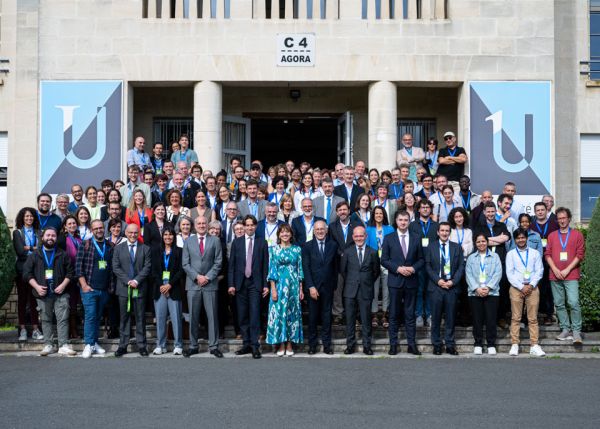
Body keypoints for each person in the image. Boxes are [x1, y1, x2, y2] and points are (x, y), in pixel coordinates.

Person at [23, 227, 76, 356]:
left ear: (56, 238)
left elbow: (70, 272)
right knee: (46, 320)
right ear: (43, 237)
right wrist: (36, 287)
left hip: (61, 293)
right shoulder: (35, 255)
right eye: (48, 235)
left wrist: (63, 285)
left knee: (63, 319)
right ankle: (48, 345)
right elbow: (26, 274)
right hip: (42, 294)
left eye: (53, 235)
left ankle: (63, 345)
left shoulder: (63, 254)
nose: (50, 238)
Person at [381, 210, 424, 355]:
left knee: (410, 314)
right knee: (393, 314)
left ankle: (411, 344)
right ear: (396, 221)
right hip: (395, 281)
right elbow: (384, 260)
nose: (403, 222)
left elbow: (422, 260)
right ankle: (393, 345)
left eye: (406, 220)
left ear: (409, 221)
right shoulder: (388, 238)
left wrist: (412, 268)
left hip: (411, 280)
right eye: (401, 220)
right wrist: (398, 268)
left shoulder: (417, 238)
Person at [228, 215, 270, 359]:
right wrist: (231, 284)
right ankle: (246, 344)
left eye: (252, 225)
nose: (250, 227)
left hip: (255, 283)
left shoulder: (262, 242)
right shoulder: (236, 243)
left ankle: (255, 346)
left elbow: (265, 265)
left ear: (256, 226)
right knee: (242, 315)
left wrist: (265, 284)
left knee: (254, 314)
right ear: (244, 226)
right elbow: (231, 266)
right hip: (240, 284)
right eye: (247, 225)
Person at [182, 216, 223, 358]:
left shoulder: (215, 240)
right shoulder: (188, 241)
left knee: (212, 316)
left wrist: (207, 277)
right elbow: (185, 264)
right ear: (194, 225)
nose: (201, 225)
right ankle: (193, 346)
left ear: (207, 225)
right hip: (193, 284)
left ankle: (214, 346)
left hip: (210, 284)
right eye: (198, 223)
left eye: (203, 223)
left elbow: (218, 262)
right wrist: (197, 277)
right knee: (193, 316)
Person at [545, 207, 586, 344]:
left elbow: (579, 255)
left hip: (571, 274)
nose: (562, 220)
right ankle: (565, 329)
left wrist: (567, 269)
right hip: (555, 275)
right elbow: (548, 254)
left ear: (569, 219)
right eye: (559, 218)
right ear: (557, 220)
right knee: (559, 304)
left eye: (564, 218)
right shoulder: (552, 236)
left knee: (573, 302)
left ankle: (576, 331)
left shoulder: (577, 235)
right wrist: (555, 269)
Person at [111, 224, 152, 357]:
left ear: (139, 233)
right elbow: (116, 267)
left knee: (140, 318)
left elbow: (147, 267)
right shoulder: (118, 248)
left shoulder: (145, 248)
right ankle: (123, 345)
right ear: (126, 233)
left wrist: (136, 280)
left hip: (139, 288)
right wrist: (128, 280)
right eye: (130, 232)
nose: (133, 235)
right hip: (124, 288)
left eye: (135, 232)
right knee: (124, 318)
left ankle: (142, 345)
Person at [425, 222, 465, 355]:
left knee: (451, 318)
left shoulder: (457, 247)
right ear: (438, 232)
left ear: (450, 232)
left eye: (447, 231)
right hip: (436, 287)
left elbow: (460, 267)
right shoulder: (430, 247)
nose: (444, 233)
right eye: (442, 230)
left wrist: (453, 282)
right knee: (435, 318)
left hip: (451, 287)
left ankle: (449, 344)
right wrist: (438, 280)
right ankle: (436, 344)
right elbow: (428, 266)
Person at [75, 219, 113, 358]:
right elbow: (78, 268)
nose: (99, 230)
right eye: (96, 228)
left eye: (101, 228)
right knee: (90, 316)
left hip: (104, 289)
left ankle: (95, 343)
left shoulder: (109, 245)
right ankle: (88, 344)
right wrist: (84, 285)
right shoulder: (85, 245)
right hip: (89, 289)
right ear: (91, 230)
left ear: (104, 229)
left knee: (97, 317)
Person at [340, 225, 380, 355]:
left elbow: (376, 272)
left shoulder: (373, 252)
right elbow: (343, 271)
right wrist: (353, 281)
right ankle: (350, 345)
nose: (359, 238)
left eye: (361, 235)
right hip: (350, 290)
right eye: (356, 236)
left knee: (366, 320)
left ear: (366, 236)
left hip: (366, 290)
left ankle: (367, 346)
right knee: (350, 320)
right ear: (352, 237)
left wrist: (366, 282)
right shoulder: (347, 252)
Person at [266, 224, 304, 356]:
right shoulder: (273, 250)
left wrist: (301, 289)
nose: (285, 234)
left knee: (291, 315)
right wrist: (273, 289)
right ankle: (281, 343)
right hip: (279, 286)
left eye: (287, 232)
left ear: (291, 234)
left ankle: (289, 343)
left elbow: (300, 271)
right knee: (279, 315)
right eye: (282, 232)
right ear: (278, 235)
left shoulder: (297, 250)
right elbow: (272, 271)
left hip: (293, 287)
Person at [506, 228, 545, 357]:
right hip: (516, 288)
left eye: (523, 237)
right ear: (515, 239)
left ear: (527, 238)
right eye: (518, 238)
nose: (521, 240)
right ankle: (514, 344)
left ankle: (534, 345)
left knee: (533, 318)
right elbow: (510, 273)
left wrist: (531, 285)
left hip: (532, 288)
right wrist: (521, 287)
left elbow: (539, 270)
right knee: (516, 317)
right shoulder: (511, 254)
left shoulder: (534, 253)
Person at [302, 220, 339, 355]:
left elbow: (335, 267)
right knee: (312, 318)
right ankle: (312, 345)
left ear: (326, 230)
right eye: (317, 229)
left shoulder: (333, 245)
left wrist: (334, 285)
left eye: (322, 229)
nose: (320, 231)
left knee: (326, 317)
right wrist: (311, 286)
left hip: (328, 288)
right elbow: (306, 268)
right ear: (313, 231)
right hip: (313, 288)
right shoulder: (306, 246)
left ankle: (327, 345)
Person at [474, 201, 511, 328]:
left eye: (492, 211)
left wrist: (489, 240)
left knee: (501, 289)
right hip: (484, 263)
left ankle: (500, 317)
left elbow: (506, 237)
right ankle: (486, 319)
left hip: (500, 261)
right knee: (486, 289)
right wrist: (497, 239)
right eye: (488, 211)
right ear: (484, 212)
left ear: (496, 212)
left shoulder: (501, 225)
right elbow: (479, 241)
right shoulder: (479, 227)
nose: (490, 214)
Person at [465, 233, 502, 355]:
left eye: (483, 241)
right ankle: (478, 343)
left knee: (491, 319)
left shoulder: (495, 256)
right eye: (478, 242)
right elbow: (468, 274)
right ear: (475, 243)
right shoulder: (471, 258)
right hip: (475, 293)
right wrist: (477, 288)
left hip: (492, 293)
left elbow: (498, 273)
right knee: (477, 320)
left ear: (487, 242)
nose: (481, 244)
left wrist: (488, 287)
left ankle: (491, 343)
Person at [151, 227, 184, 355]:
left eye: (170, 235)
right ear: (162, 236)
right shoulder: (155, 251)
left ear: (174, 237)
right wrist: (162, 285)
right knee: (160, 318)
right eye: (165, 235)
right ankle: (160, 345)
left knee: (176, 318)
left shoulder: (180, 251)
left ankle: (178, 345)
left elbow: (181, 271)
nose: (168, 237)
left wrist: (169, 284)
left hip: (173, 288)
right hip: (159, 288)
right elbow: (153, 271)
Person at [328, 201, 361, 325]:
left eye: (344, 209)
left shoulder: (356, 225)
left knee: (354, 289)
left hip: (353, 262)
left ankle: (354, 314)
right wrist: (341, 253)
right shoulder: (332, 226)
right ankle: (337, 313)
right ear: (337, 212)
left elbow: (360, 241)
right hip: (337, 262)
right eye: (340, 210)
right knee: (337, 289)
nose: (342, 212)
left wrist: (349, 254)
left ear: (349, 211)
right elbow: (331, 244)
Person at [12, 207, 42, 341]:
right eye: (26, 216)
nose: (29, 219)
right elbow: (20, 251)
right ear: (22, 218)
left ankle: (36, 329)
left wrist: (28, 248)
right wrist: (33, 249)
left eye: (31, 216)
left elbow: (41, 250)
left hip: (36, 270)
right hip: (22, 270)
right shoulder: (17, 232)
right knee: (23, 300)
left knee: (34, 299)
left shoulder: (39, 232)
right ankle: (22, 329)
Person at [408, 199, 438, 327]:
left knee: (431, 290)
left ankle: (430, 314)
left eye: (427, 207)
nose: (425, 209)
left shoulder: (436, 226)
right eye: (423, 207)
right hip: (418, 262)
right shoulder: (412, 225)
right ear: (418, 209)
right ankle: (419, 314)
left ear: (430, 209)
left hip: (432, 263)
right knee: (419, 290)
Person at [529, 202, 559, 325]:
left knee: (549, 288)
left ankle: (548, 314)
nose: (540, 212)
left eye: (542, 210)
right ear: (535, 212)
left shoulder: (553, 225)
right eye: (538, 210)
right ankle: (535, 313)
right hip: (534, 262)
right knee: (536, 286)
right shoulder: (531, 226)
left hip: (550, 260)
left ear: (547, 211)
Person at [366, 206, 395, 329]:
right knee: (374, 289)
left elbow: (394, 245)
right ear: (373, 215)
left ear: (384, 215)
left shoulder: (390, 229)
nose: (378, 215)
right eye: (376, 213)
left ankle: (384, 314)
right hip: (373, 263)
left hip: (387, 262)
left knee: (387, 289)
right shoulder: (368, 229)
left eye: (381, 213)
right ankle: (374, 315)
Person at [57, 214, 82, 339]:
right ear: (65, 227)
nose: (72, 225)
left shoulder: (79, 239)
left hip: (79, 275)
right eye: (69, 224)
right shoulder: (62, 239)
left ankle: (76, 328)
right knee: (69, 304)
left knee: (76, 303)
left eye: (74, 223)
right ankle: (71, 330)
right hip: (67, 276)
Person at [449, 207, 474, 326]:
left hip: (466, 263)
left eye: (460, 216)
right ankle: (453, 318)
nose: (459, 219)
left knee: (465, 292)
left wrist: (460, 249)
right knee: (454, 292)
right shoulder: (450, 231)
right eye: (456, 217)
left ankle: (465, 318)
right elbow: (450, 247)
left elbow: (471, 247)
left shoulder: (469, 231)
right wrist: (461, 248)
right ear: (453, 219)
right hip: (453, 265)